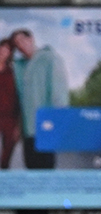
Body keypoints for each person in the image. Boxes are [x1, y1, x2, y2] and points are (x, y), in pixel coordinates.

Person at [9, 29, 68, 170]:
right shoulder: (19, 66)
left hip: (45, 126)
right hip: (27, 129)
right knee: (30, 167)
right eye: (17, 44)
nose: (20, 46)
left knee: (46, 167)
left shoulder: (50, 58)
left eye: (22, 40)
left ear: (31, 38)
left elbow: (59, 93)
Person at [0, 37, 18, 170]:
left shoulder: (12, 73)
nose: (3, 52)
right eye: (2, 48)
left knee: (7, 153)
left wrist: (18, 125)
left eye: (7, 50)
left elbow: (18, 98)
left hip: (9, 117)